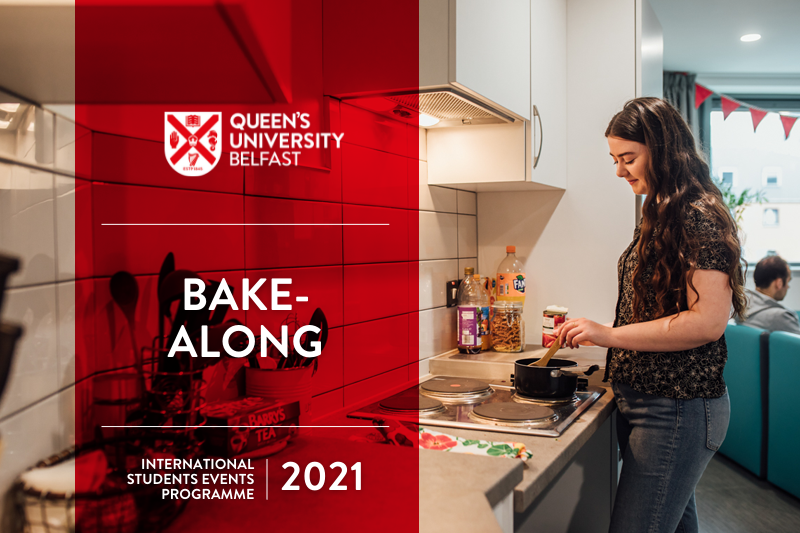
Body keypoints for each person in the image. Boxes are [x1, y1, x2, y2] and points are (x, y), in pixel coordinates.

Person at [554, 97, 745, 533]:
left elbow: (706, 322)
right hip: (651, 405)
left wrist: (607, 334)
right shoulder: (661, 212)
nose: (620, 171)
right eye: (615, 159)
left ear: (663, 149)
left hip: (676, 408)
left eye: (628, 158)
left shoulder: (699, 216)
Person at [736, 255, 800, 334]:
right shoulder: (781, 317)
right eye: (787, 281)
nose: (788, 287)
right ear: (779, 283)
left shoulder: (739, 306)